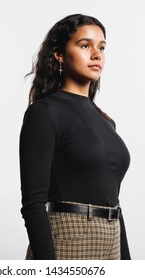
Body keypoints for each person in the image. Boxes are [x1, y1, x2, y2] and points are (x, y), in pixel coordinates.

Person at [18, 14, 131, 260]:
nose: (96, 54)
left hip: (112, 238)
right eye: (84, 45)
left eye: (101, 47)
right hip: (69, 237)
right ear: (59, 54)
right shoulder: (44, 112)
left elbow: (114, 200)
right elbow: (33, 204)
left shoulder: (106, 121)